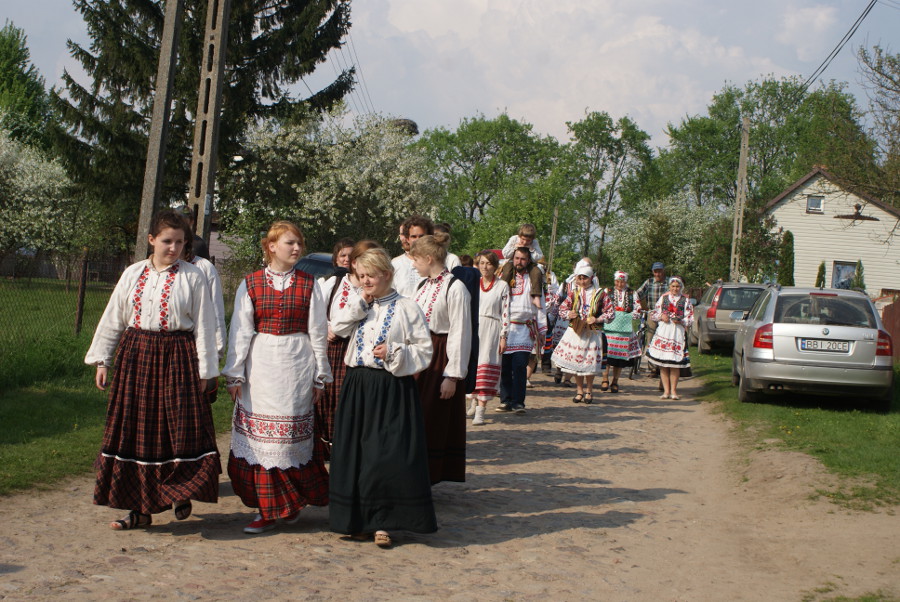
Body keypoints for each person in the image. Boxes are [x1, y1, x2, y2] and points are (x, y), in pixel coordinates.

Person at [85, 209, 220, 530]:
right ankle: (139, 511)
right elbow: (114, 318)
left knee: (179, 427)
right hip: (137, 357)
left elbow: (205, 325)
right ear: (151, 240)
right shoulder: (133, 273)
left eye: (179, 242)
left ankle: (180, 490)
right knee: (138, 431)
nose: (173, 248)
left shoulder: (193, 276)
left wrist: (208, 370)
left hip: (179, 357)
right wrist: (104, 360)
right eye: (166, 241)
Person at [222, 221, 332, 534]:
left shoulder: (311, 284)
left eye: (299, 243)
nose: (297, 249)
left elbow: (318, 333)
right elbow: (240, 332)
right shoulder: (251, 283)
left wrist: (320, 376)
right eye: (290, 243)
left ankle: (290, 502)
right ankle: (267, 509)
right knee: (260, 442)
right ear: (271, 246)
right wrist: (234, 374)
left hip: (297, 368)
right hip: (262, 368)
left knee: (287, 443)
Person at [329, 248, 437, 548]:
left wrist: (394, 352)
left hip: (391, 387)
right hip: (358, 385)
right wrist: (358, 305)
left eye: (371, 276)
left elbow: (425, 351)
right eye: (361, 276)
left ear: (386, 275)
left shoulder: (407, 307)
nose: (365, 281)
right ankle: (358, 521)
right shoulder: (359, 302)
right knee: (357, 455)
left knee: (384, 455)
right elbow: (337, 328)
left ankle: (383, 522)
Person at [410, 232, 472, 483]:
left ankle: (429, 474)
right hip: (420, 356)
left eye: (415, 259)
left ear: (428, 258)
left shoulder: (455, 288)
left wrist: (453, 375)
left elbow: (460, 332)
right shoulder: (423, 285)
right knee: (415, 417)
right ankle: (412, 472)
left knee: (432, 417)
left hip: (440, 358)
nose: (413, 264)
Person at [318, 239, 381, 459]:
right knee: (330, 399)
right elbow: (316, 314)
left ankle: (350, 448)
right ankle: (328, 446)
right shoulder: (332, 284)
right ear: (354, 263)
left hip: (362, 349)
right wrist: (326, 328)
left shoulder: (374, 288)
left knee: (354, 401)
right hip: (335, 349)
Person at [550, 262, 612, 404]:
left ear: (591, 278)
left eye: (585, 278)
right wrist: (568, 314)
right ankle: (579, 391)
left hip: (592, 333)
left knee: (588, 365)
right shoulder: (574, 293)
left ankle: (589, 390)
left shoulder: (600, 294)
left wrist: (597, 318)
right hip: (576, 331)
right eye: (580, 278)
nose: (582, 281)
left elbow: (610, 313)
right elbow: (562, 308)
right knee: (576, 364)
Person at [497, 247, 547, 414]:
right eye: (517, 258)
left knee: (519, 366)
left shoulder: (533, 279)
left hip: (525, 329)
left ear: (528, 260)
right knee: (504, 366)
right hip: (506, 327)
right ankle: (505, 400)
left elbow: (541, 307)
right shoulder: (504, 278)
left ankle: (518, 402)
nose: (519, 262)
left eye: (523, 259)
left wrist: (541, 330)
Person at [182, 230, 228, 405]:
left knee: (193, 403)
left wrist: (216, 352)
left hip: (196, 345)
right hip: (161, 348)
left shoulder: (204, 267)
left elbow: (215, 311)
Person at [469, 250, 509, 425]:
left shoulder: (502, 286)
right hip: (474, 327)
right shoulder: (473, 283)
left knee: (486, 365)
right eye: (482, 263)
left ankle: (481, 409)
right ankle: (473, 400)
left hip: (492, 328)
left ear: (495, 266)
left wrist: (503, 336)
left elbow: (506, 312)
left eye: (489, 264)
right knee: (473, 366)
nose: (485, 267)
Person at [646, 277, 694, 400]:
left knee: (674, 363)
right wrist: (662, 316)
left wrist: (681, 320)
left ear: (681, 287)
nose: (675, 289)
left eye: (677, 286)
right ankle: (666, 391)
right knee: (664, 363)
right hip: (664, 331)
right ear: (669, 287)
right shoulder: (663, 298)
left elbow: (690, 318)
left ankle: (673, 391)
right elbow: (654, 313)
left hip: (677, 333)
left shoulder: (686, 300)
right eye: (673, 286)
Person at [600, 271, 642, 393]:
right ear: (614, 281)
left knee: (619, 358)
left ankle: (615, 381)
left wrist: (628, 314)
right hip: (609, 328)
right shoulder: (607, 291)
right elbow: (602, 306)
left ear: (626, 281)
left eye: (622, 281)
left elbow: (638, 308)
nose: (620, 284)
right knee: (607, 355)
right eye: (617, 281)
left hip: (624, 329)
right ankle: (604, 378)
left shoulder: (632, 293)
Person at [500, 223, 544, 308]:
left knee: (537, 272)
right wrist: (514, 247)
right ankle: (501, 292)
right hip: (512, 261)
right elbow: (505, 254)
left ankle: (536, 296)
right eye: (523, 239)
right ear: (519, 236)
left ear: (532, 239)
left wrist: (531, 249)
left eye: (528, 241)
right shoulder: (514, 239)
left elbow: (538, 257)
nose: (524, 242)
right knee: (507, 271)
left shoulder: (534, 243)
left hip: (528, 263)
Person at [636, 262, 668, 376]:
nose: (658, 273)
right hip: (652, 314)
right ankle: (653, 368)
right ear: (653, 272)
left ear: (663, 271)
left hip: (666, 316)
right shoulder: (649, 282)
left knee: (664, 340)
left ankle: (664, 367)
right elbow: (638, 293)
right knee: (651, 340)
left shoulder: (669, 283)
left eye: (660, 271)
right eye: (656, 271)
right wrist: (636, 303)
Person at [392, 215, 434, 298]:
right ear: (407, 239)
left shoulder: (435, 263)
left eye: (421, 236)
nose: (418, 240)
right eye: (414, 236)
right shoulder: (395, 264)